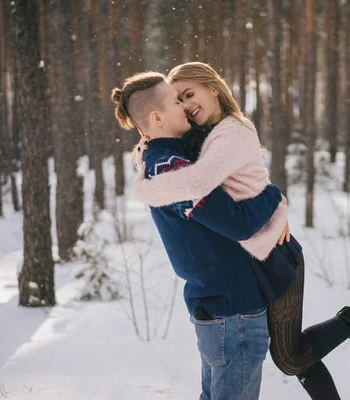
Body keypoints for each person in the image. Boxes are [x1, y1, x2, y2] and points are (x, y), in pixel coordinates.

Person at [132, 62, 350, 400]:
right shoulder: (203, 134)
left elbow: (197, 182)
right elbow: (174, 153)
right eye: (178, 99)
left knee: (291, 357)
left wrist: (148, 189)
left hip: (273, 257)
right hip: (256, 255)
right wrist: (147, 145)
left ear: (214, 88)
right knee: (293, 356)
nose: (185, 105)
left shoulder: (230, 131)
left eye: (190, 94)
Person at [112, 72, 286, 400]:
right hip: (233, 312)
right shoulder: (172, 168)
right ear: (156, 117)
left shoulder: (165, 159)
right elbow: (239, 225)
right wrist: (272, 194)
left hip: (220, 307)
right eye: (176, 101)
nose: (184, 106)